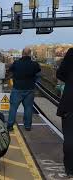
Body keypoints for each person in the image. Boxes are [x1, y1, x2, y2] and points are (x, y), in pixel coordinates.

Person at [7, 47, 41, 131]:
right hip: (30, 89)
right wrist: (34, 81)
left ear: (22, 54)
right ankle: (27, 126)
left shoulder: (16, 63)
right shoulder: (35, 64)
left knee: (13, 108)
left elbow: (9, 71)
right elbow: (38, 74)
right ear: (30, 54)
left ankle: (10, 125)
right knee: (28, 108)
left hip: (17, 89)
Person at [56, 48, 73, 177]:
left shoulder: (72, 53)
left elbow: (60, 74)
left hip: (70, 103)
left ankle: (70, 169)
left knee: (69, 138)